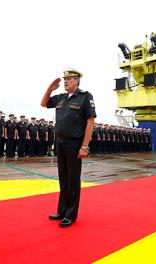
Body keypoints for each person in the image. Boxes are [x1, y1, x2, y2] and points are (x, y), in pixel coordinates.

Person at [41, 68, 96, 228]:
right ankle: (62, 210)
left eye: (70, 78)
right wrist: (50, 89)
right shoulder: (61, 98)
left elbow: (90, 122)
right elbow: (44, 103)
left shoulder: (85, 97)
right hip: (60, 142)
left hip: (74, 143)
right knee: (63, 178)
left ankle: (70, 215)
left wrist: (85, 146)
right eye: (65, 78)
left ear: (77, 80)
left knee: (72, 180)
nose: (66, 81)